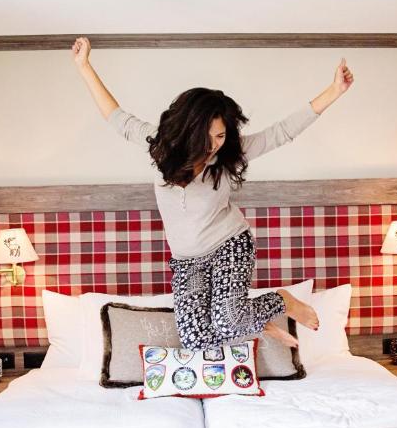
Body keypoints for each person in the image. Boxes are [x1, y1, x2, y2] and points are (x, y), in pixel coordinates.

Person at [72, 37, 354, 349]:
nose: (213, 144)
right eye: (206, 137)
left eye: (220, 135)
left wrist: (334, 92)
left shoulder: (231, 154)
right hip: (186, 261)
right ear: (187, 132)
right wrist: (84, 66)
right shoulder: (159, 147)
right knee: (195, 339)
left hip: (228, 245)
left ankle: (281, 301)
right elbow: (116, 116)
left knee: (227, 320)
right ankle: (255, 322)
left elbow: (281, 132)